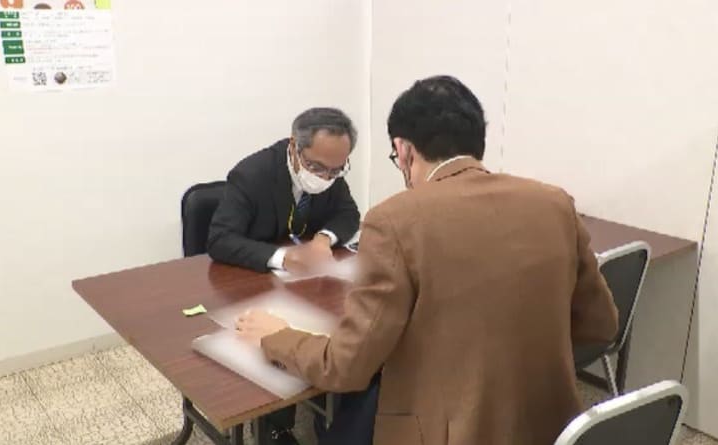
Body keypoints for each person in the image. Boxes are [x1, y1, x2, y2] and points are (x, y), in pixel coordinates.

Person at [236, 76, 619, 445]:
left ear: (403, 150)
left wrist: (276, 336)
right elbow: (601, 325)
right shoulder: (554, 203)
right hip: (553, 427)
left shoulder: (395, 220)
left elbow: (346, 367)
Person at [207, 107, 361, 445]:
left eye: (337, 169)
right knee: (275, 337)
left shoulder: (330, 170)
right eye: (317, 168)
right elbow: (219, 239)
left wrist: (323, 239)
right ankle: (275, 428)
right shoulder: (251, 174)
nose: (326, 177)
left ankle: (324, 410)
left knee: (336, 331)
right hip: (251, 285)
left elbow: (349, 214)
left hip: (308, 288)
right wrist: (284, 258)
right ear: (294, 146)